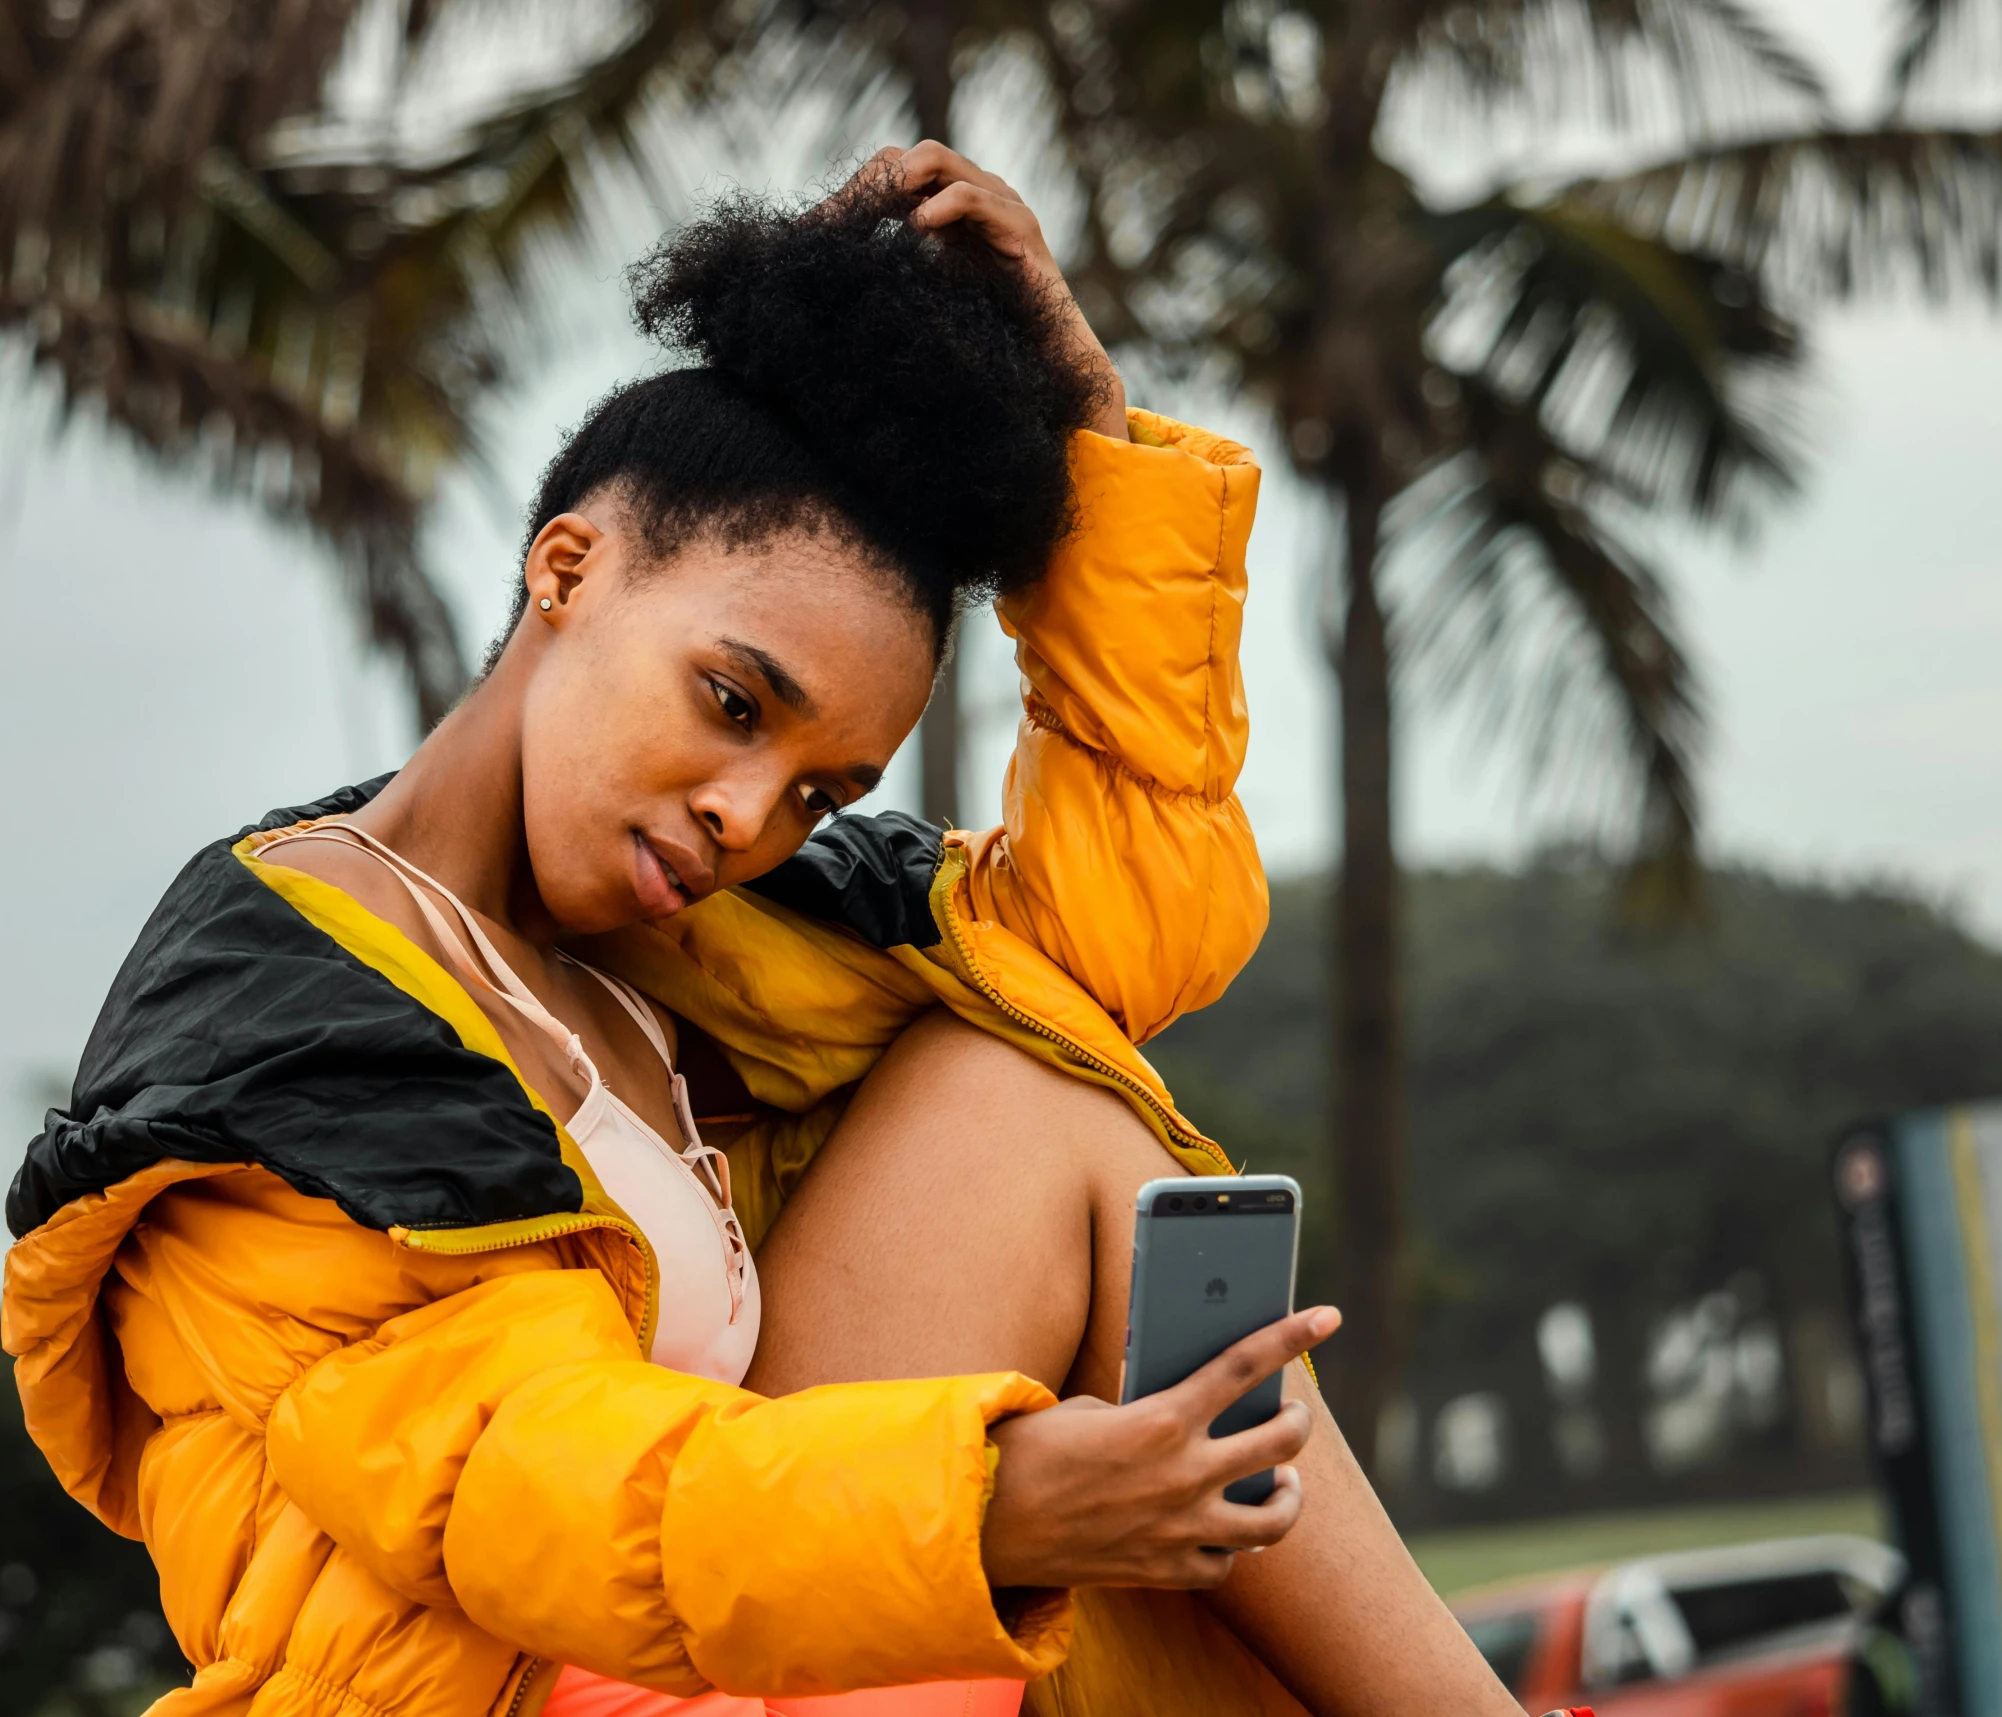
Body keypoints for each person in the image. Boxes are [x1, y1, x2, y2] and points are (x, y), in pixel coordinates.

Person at [3, 146, 1523, 1717]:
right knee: (1021, 1116)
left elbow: (1115, 938)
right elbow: (518, 1486)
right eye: (732, 703)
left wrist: (1087, 428)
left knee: (1019, 1091)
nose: (749, 814)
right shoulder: (285, 1024)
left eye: (820, 787)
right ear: (566, 569)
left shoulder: (703, 950)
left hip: (757, 1631)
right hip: (538, 1682)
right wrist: (984, 1508)